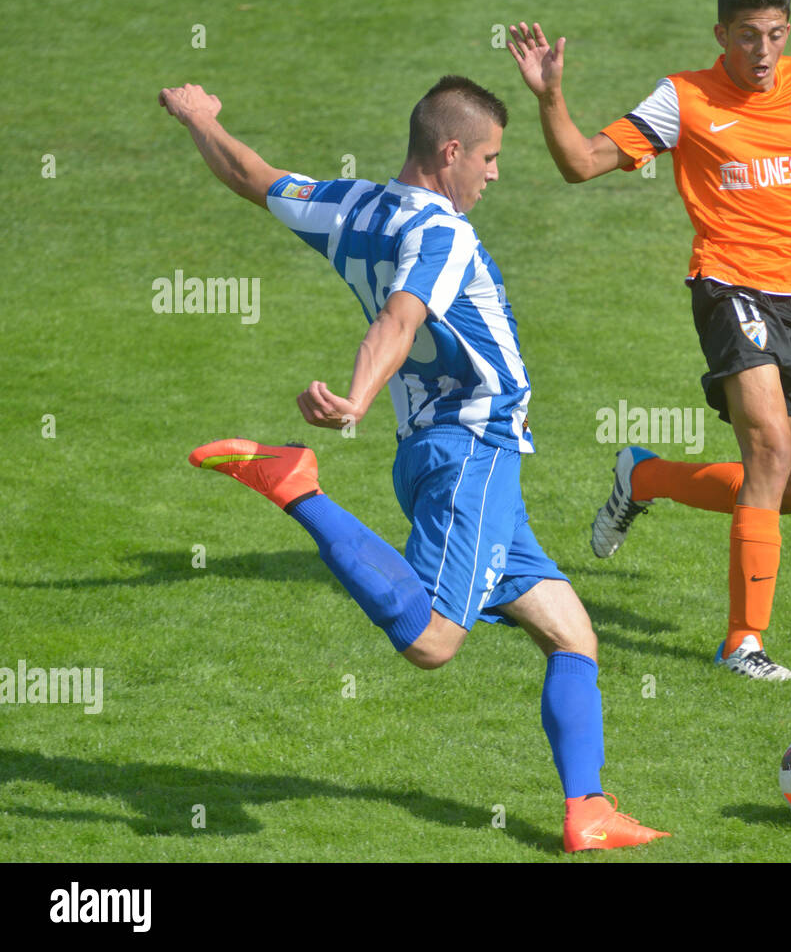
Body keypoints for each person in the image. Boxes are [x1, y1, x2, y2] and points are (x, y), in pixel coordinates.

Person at [158, 77, 668, 852]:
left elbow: (248, 176)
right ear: (451, 151)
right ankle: (298, 487)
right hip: (474, 450)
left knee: (571, 633)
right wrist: (358, 396)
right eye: (490, 157)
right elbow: (401, 317)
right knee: (433, 639)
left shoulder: (352, 205)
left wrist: (200, 119)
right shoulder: (444, 232)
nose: (495, 174)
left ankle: (588, 808)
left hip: (439, 452)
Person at [508, 0, 791, 681]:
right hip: (729, 287)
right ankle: (743, 642)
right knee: (769, 450)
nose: (764, 51)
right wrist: (550, 98)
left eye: (776, 34)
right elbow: (583, 162)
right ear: (722, 35)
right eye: (748, 36)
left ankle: (645, 477)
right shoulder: (682, 99)